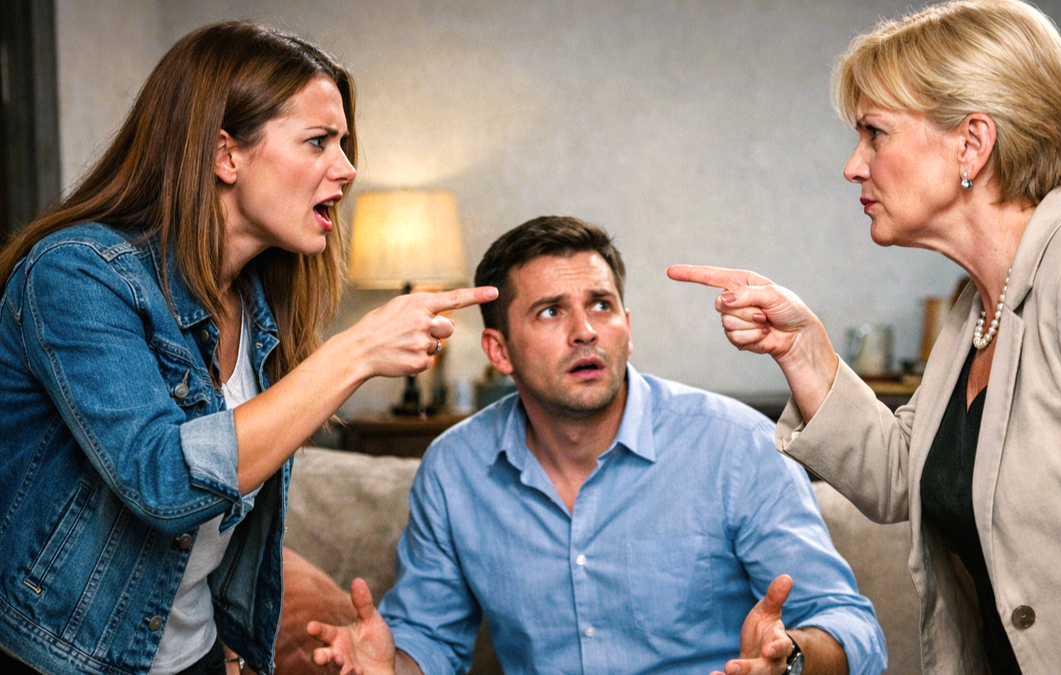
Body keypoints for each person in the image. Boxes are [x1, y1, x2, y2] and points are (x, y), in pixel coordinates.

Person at [669, 0, 1061, 673]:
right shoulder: (977, 304)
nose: (853, 165)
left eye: (875, 133)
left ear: (972, 143)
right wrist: (801, 348)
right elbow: (906, 475)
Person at [0, 21, 496, 675]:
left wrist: (230, 645)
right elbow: (164, 481)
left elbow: (228, 518)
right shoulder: (76, 274)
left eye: (344, 143)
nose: (347, 169)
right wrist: (355, 352)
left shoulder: (260, 304)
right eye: (319, 141)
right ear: (225, 155)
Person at [308, 216, 887, 675]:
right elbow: (431, 641)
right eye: (550, 311)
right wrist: (390, 667)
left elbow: (852, 628)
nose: (585, 330)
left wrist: (792, 660)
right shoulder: (455, 468)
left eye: (601, 305)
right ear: (499, 351)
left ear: (626, 329)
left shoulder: (737, 447)